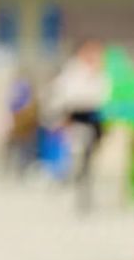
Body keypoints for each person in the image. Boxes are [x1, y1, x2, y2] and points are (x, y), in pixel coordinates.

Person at [46, 38, 112, 210]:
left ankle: (83, 190)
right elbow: (64, 98)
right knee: (79, 156)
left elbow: (103, 97)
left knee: (87, 160)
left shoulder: (100, 73)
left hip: (93, 119)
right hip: (76, 118)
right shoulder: (73, 72)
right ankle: (78, 190)